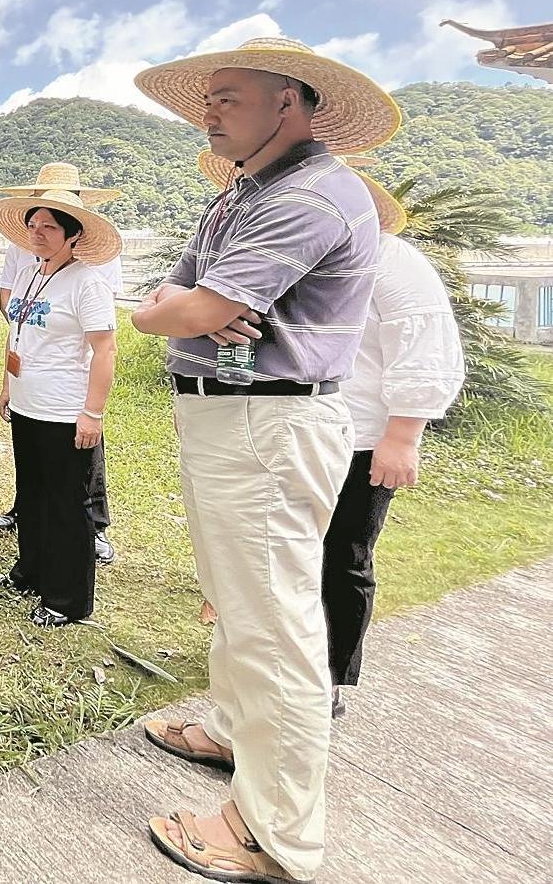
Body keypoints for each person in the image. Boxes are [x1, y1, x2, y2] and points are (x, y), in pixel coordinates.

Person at [130, 36, 401, 884]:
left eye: (227, 94)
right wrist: (179, 308)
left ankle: (271, 832)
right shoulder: (243, 193)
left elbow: (187, 304)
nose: (208, 109)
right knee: (236, 601)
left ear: (289, 99)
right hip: (233, 419)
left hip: (268, 422)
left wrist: (184, 309)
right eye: (207, 95)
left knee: (276, 624)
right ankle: (229, 731)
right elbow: (164, 301)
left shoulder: (315, 194)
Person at [197, 150, 464, 718]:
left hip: (360, 432)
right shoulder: (284, 254)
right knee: (277, 553)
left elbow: (424, 343)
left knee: (340, 556)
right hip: (280, 425)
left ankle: (327, 678)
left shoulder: (393, 261)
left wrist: (403, 434)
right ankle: (267, 670)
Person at [0, 193, 120, 627]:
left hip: (64, 410)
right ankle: (31, 571)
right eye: (33, 225)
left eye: (49, 227)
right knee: (32, 494)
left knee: (66, 503)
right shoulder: (30, 273)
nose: (37, 234)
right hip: (27, 403)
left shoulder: (86, 282)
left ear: (72, 235)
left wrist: (92, 413)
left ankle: (67, 598)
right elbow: (17, 333)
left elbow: (105, 350)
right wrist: (8, 385)